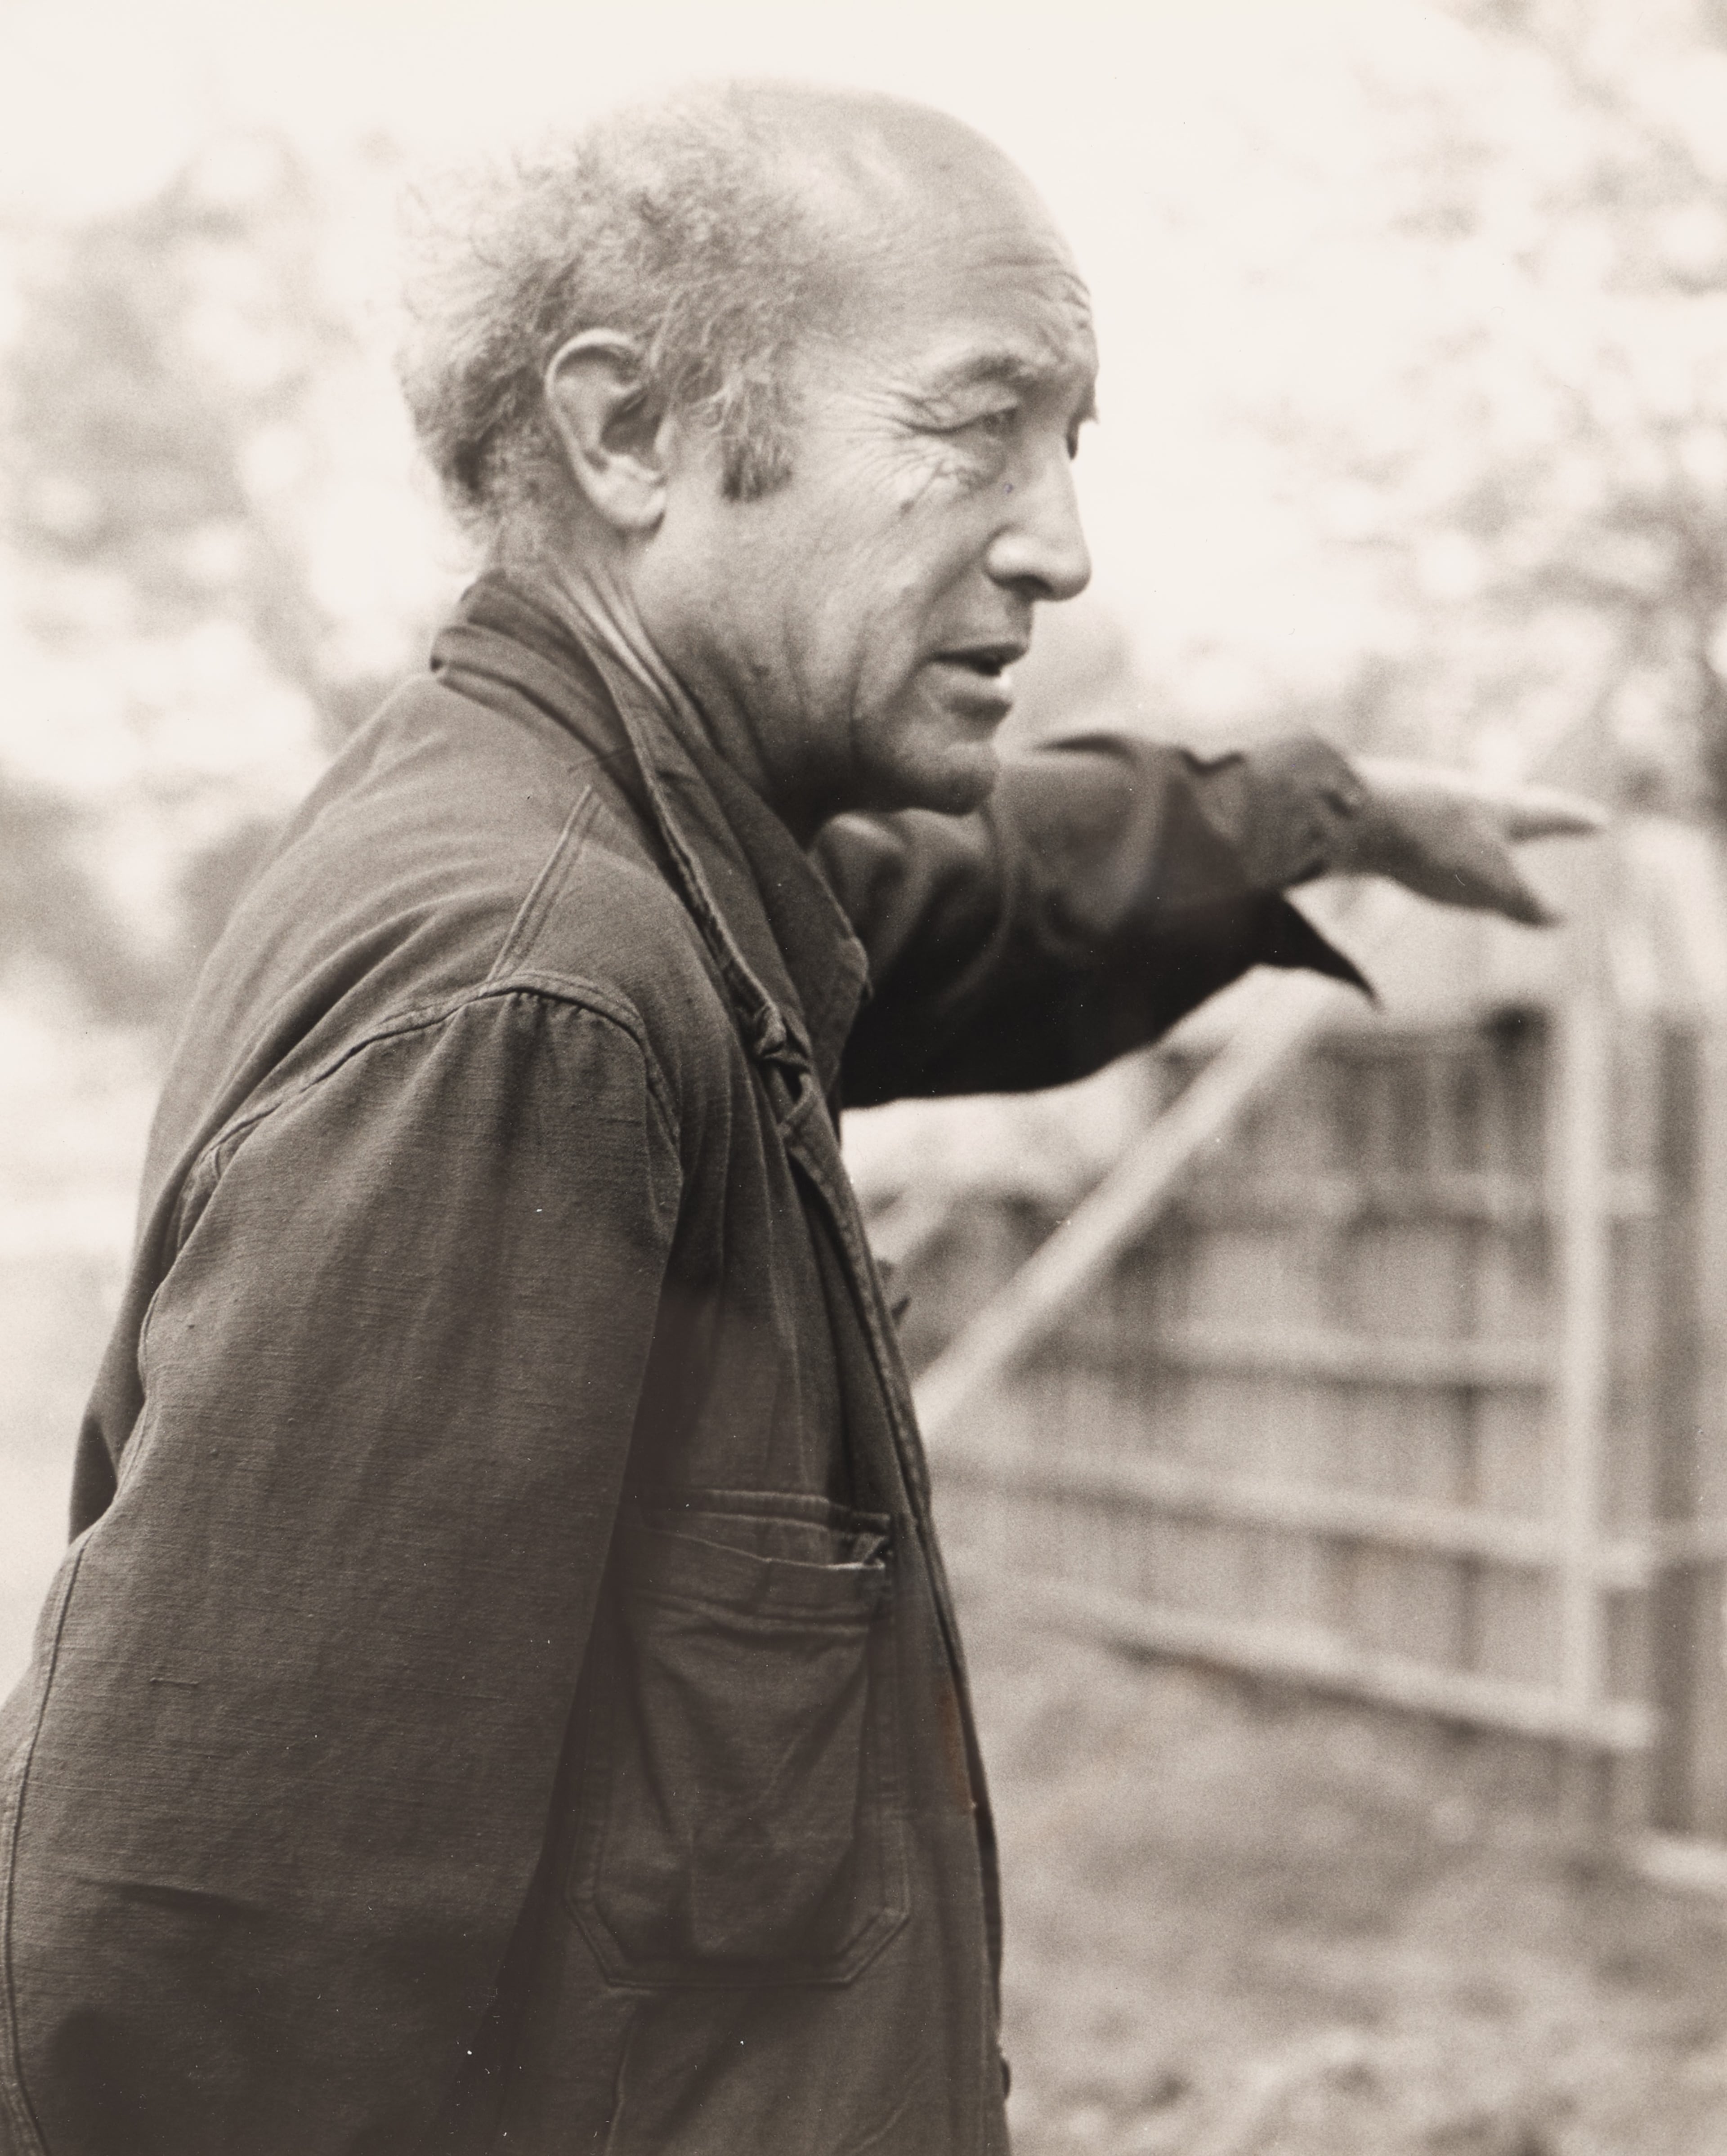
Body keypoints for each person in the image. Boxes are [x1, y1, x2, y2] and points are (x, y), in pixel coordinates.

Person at [0, 81, 1597, 2156]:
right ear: (629, 433)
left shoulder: (636, 850)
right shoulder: (534, 994)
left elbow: (967, 890)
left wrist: (1328, 812)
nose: (1061, 539)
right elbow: (193, 1976)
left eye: (1070, 444)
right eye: (972, 425)